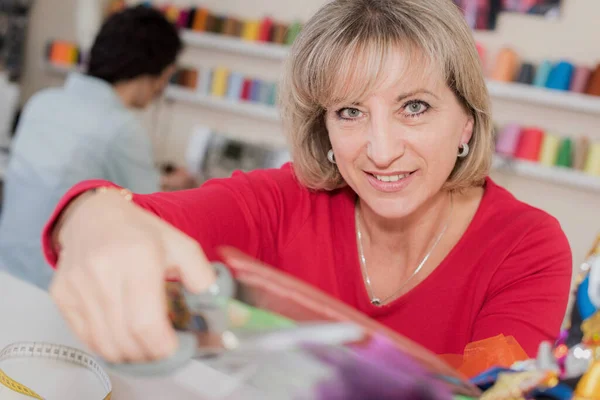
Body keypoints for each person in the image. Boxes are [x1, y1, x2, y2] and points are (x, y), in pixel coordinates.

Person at [43, 0, 572, 364]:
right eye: (349, 111)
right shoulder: (287, 201)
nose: (381, 150)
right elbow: (131, 214)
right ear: (324, 124)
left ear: (467, 122)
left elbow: (499, 390)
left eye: (415, 107)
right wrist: (94, 217)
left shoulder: (526, 248)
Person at [0, 5, 192, 289]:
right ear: (156, 72)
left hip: (7, 270)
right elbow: (152, 215)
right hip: (54, 288)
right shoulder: (122, 128)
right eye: (165, 77)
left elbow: (68, 180)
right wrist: (180, 189)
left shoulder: (43, 103)